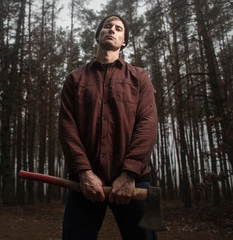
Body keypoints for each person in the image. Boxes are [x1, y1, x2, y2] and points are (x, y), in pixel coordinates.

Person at [58, 14, 158, 240]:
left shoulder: (139, 77)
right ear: (98, 35)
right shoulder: (74, 79)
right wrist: (84, 172)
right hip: (84, 183)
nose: (112, 30)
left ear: (124, 41)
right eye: (107, 26)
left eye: (119, 28)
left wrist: (129, 173)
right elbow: (67, 127)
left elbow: (147, 124)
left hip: (133, 183)